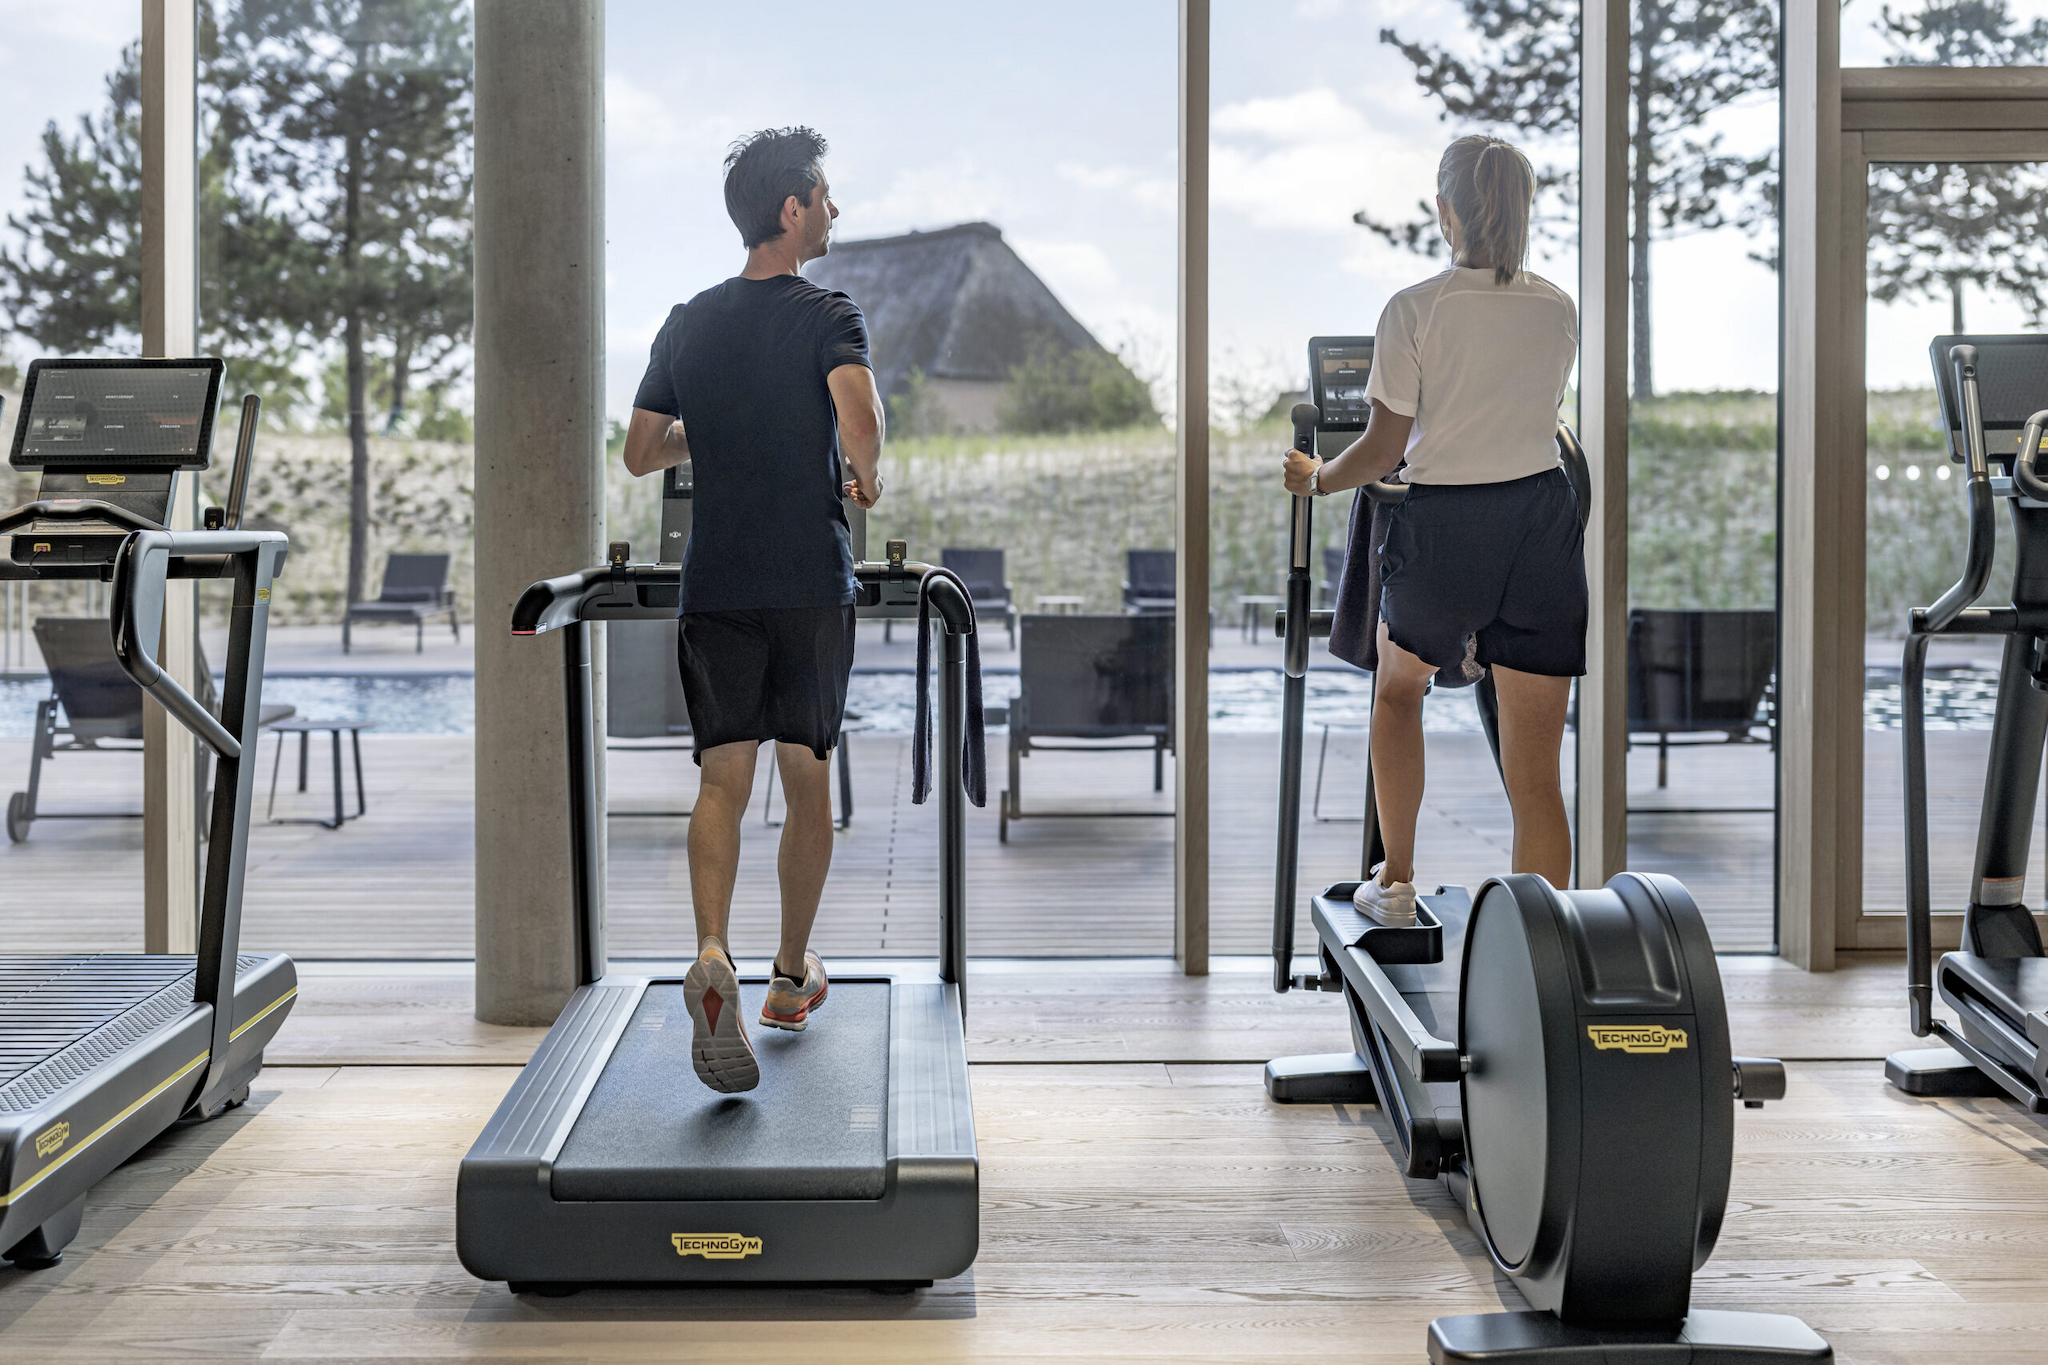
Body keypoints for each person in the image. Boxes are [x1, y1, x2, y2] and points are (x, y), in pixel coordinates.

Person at [621, 126, 885, 1093]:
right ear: (791, 209)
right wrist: (867, 473)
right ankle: (784, 979)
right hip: (807, 582)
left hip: (717, 584)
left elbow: (643, 450)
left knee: (721, 783)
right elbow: (858, 417)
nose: (834, 210)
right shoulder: (829, 312)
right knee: (806, 782)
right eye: (824, 195)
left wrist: (720, 432)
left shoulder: (689, 319)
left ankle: (712, 951)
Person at [1283, 134, 1582, 924]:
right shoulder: (1557, 307)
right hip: (1543, 524)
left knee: (1399, 690)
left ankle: (1399, 879)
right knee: (1538, 774)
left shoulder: (1413, 310)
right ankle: (1544, 939)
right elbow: (1535, 419)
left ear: (1446, 211)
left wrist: (1316, 478)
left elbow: (1384, 449)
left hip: (1445, 521)